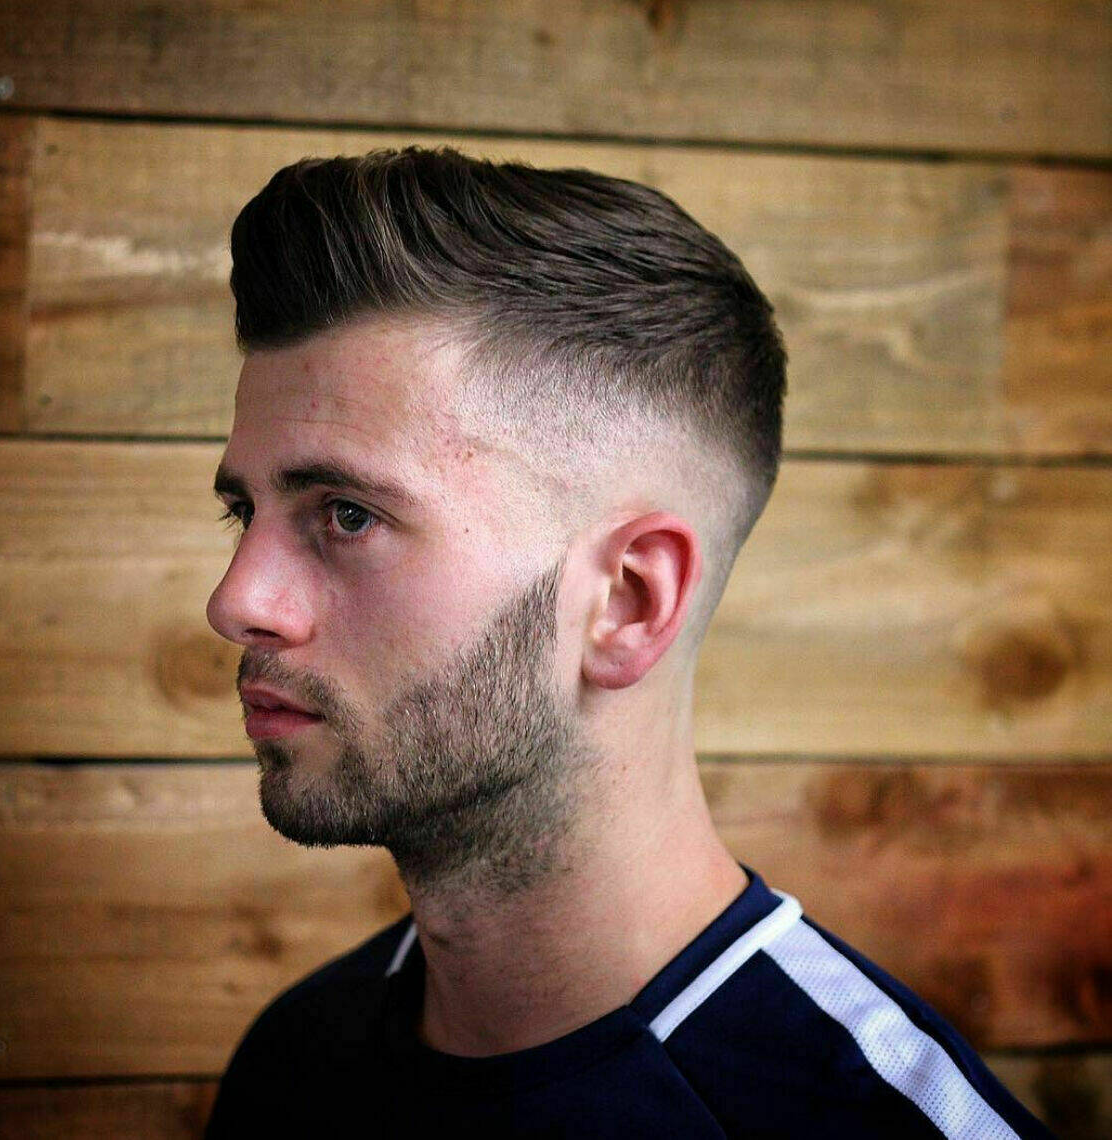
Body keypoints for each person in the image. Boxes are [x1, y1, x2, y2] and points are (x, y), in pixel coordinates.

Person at [202, 147, 1053, 1139]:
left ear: (628, 602)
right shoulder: (295, 1060)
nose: (235, 600)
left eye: (347, 515)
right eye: (243, 512)